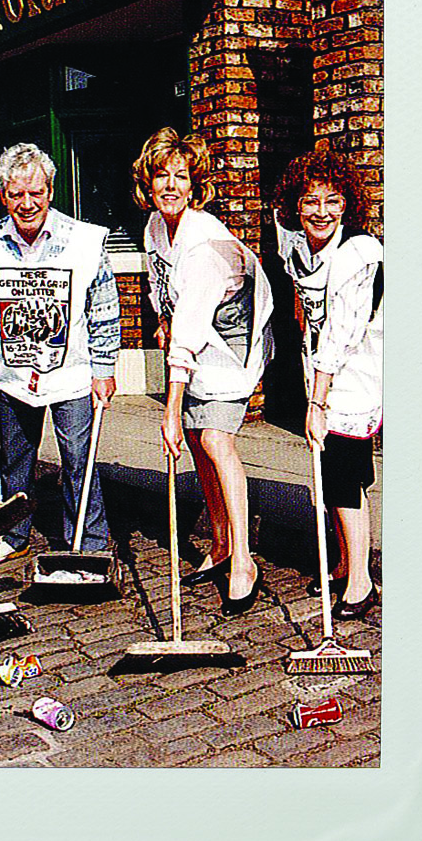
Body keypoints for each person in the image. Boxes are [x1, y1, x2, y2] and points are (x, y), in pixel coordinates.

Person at [0, 142, 120, 568]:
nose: (27, 204)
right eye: (16, 194)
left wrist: (104, 368)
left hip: (72, 373)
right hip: (10, 375)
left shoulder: (84, 240)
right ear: (3, 195)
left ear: (51, 190)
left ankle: (88, 542)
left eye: (36, 193)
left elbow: (104, 310)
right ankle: (13, 535)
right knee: (13, 459)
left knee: (78, 460)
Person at [135, 127, 273, 615]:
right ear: (148, 184)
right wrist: (161, 319)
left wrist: (169, 409)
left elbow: (193, 329)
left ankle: (244, 559)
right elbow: (161, 285)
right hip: (195, 338)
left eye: (181, 176)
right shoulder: (155, 227)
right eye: (161, 176)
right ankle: (219, 542)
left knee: (214, 439)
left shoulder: (204, 246)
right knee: (196, 443)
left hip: (233, 343)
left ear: (195, 185)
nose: (170, 185)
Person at [274, 140, 383, 620]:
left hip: (355, 376)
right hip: (319, 372)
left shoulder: (358, 253)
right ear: (296, 204)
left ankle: (360, 580)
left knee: (342, 476)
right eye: (311, 201)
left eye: (332, 201)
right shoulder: (298, 246)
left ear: (348, 204)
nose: (321, 212)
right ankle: (344, 561)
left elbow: (342, 334)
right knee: (334, 473)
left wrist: (316, 403)